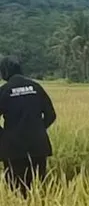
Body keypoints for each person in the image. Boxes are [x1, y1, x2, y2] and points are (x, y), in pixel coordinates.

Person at [0, 56, 56, 197]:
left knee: (16, 189)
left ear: (5, 71)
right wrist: (37, 129)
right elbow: (51, 115)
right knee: (38, 188)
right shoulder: (36, 87)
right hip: (38, 145)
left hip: (13, 147)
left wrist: (4, 135)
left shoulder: (4, 90)